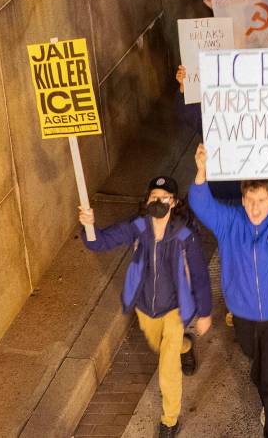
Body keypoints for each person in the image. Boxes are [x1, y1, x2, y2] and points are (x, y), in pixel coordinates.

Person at [187, 138, 268, 438]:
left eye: (262, 200)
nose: (256, 207)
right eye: (250, 200)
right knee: (258, 365)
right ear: (242, 200)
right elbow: (200, 203)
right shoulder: (229, 222)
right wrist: (201, 170)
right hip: (243, 314)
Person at [79, 177, 212, 438]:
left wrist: (204, 312)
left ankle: (170, 421)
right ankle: (187, 346)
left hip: (174, 309)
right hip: (145, 309)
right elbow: (100, 242)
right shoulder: (137, 227)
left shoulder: (185, 236)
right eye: (153, 197)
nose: (158, 202)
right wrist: (89, 226)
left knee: (167, 368)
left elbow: (199, 275)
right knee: (160, 346)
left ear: (174, 203)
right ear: (147, 201)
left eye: (164, 198)